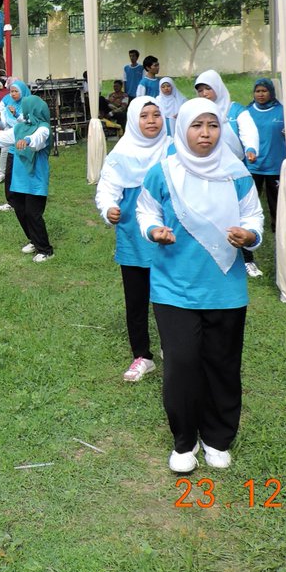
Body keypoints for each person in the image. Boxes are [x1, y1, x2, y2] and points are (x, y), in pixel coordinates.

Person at [136, 98, 264, 474]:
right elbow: (146, 209)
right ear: (182, 129)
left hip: (225, 289)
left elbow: (253, 214)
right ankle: (184, 441)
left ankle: (218, 438)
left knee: (223, 364)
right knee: (182, 363)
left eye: (212, 125)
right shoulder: (163, 171)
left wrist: (249, 234)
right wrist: (153, 230)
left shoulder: (236, 172)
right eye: (197, 125)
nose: (205, 133)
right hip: (173, 287)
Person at [95, 96, 171, 381]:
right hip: (133, 237)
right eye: (144, 115)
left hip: (167, 236)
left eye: (156, 115)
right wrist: (109, 209)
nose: (151, 121)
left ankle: (171, 345)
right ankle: (142, 355)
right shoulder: (121, 154)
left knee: (169, 296)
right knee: (136, 299)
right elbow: (106, 189)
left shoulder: (173, 149)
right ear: (133, 120)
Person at [0, 94, 55, 262]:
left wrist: (27, 140)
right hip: (20, 178)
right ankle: (34, 240)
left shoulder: (44, 128)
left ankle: (46, 250)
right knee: (20, 210)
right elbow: (0, 138)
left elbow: (38, 139)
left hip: (36, 179)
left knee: (33, 213)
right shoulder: (20, 128)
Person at [242, 78, 286, 278]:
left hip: (276, 167)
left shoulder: (282, 111)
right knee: (247, 210)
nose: (260, 94)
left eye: (264, 91)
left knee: (278, 210)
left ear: (271, 92)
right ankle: (247, 258)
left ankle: (282, 250)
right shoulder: (246, 113)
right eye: (257, 91)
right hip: (252, 168)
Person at [193, 70, 256, 163]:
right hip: (208, 162)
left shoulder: (235, 109)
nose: (204, 93)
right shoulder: (197, 112)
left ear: (218, 87)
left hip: (235, 162)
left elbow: (248, 130)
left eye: (208, 88)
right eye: (200, 91)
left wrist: (250, 148)